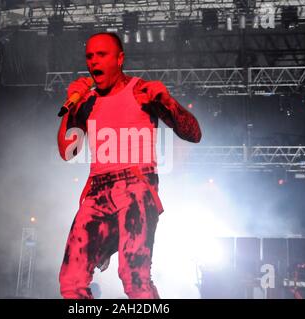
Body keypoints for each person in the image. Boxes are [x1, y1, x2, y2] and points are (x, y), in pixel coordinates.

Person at [57, 32, 202, 299]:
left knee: (134, 278)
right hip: (96, 192)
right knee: (71, 280)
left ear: (120, 58)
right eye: (90, 56)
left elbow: (193, 134)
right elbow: (68, 151)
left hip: (135, 186)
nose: (93, 61)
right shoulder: (86, 101)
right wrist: (72, 106)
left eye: (102, 55)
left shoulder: (140, 91)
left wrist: (169, 102)